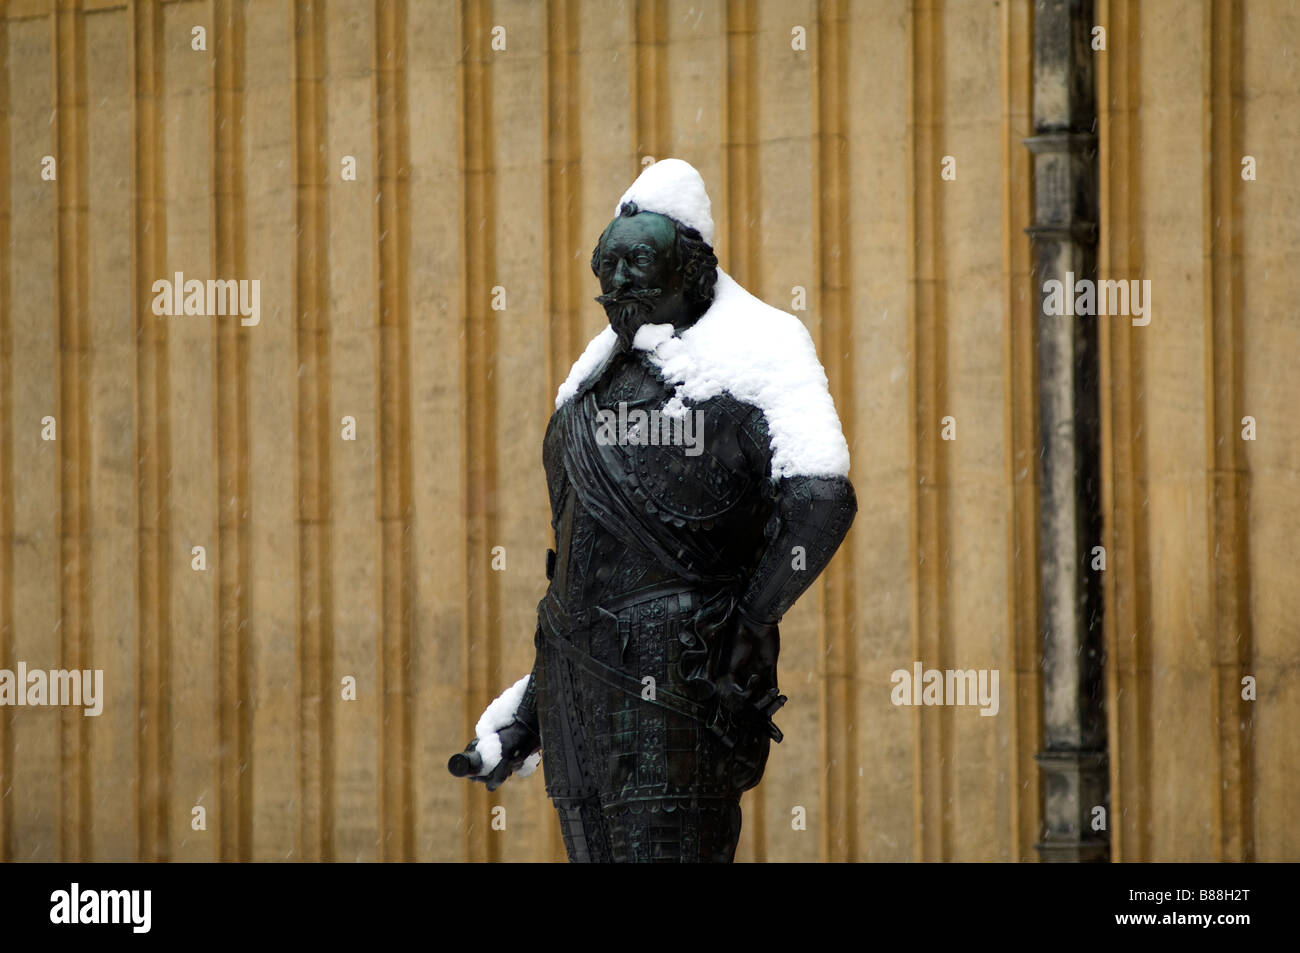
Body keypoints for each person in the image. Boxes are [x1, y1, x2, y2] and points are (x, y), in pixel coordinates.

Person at [451, 159, 856, 862]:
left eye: (640, 259)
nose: (619, 280)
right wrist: (531, 709)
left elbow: (820, 498)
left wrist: (754, 617)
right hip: (580, 693)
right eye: (608, 263)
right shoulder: (584, 392)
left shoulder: (756, 349)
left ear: (694, 267)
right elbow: (581, 573)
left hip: (679, 685)